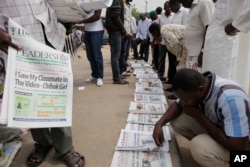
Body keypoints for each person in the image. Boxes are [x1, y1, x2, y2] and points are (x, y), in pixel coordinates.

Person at [0, 1, 85, 167]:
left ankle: (65, 148)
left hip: (50, 34)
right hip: (16, 38)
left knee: (57, 95)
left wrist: (66, 17)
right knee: (31, 95)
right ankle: (43, 143)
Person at [153, 68, 250, 167]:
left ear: (200, 89)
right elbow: (178, 105)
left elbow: (237, 147)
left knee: (199, 147)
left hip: (242, 148)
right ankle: (212, 151)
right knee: (178, 119)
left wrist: (199, 116)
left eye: (186, 99)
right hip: (223, 131)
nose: (184, 103)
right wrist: (159, 124)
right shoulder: (201, 84)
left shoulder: (231, 100)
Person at [202, 0, 250, 93]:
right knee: (212, 78)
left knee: (225, 81)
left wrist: (237, 25)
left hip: (229, 37)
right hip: (217, 37)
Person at [180, 0, 214, 71]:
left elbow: (209, 28)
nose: (182, 5)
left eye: (182, 2)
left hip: (199, 54)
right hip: (191, 53)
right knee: (191, 78)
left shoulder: (204, 3)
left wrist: (203, 51)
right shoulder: (192, 7)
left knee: (198, 79)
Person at [106, 0, 129, 84]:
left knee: (116, 55)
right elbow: (116, 16)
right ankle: (116, 78)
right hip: (115, 31)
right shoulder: (116, 0)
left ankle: (117, 75)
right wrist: (123, 30)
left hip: (114, 31)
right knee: (115, 56)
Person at [166, 0, 189, 84]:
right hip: (174, 44)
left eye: (171, 7)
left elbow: (184, 28)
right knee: (173, 64)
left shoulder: (185, 12)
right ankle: (172, 83)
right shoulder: (174, 15)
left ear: (176, 4)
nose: (170, 9)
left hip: (181, 44)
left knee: (180, 65)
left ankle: (178, 87)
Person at [81, 9, 104, 87]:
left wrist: (79, 21)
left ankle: (100, 77)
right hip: (88, 31)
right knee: (90, 56)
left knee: (96, 55)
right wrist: (84, 30)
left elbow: (97, 16)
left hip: (96, 31)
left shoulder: (97, 2)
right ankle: (94, 75)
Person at [158, 1, 173, 81]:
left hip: (171, 43)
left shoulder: (173, 16)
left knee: (171, 60)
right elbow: (159, 28)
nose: (169, 8)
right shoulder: (161, 17)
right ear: (164, 8)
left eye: (170, 7)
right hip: (162, 42)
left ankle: (170, 77)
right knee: (161, 59)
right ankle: (160, 74)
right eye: (167, 7)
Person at [120, 0, 133, 78]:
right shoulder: (122, 4)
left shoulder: (129, 5)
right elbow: (123, 19)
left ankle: (124, 70)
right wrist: (124, 31)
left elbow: (129, 20)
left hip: (128, 32)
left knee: (126, 53)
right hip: (124, 32)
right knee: (122, 53)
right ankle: (121, 71)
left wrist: (131, 32)